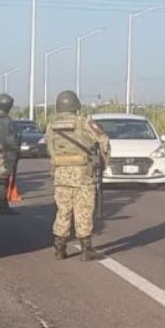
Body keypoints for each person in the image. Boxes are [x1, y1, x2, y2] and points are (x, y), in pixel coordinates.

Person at [45, 90, 110, 261]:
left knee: (63, 211)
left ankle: (59, 248)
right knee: (84, 211)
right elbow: (103, 141)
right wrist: (103, 162)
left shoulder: (51, 125)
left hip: (60, 174)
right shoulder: (84, 122)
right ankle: (86, 250)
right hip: (83, 174)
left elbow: (50, 150)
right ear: (76, 105)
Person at [0, 93, 21, 215]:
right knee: (2, 180)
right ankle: (2, 206)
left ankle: (2, 205)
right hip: (4, 153)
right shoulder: (5, 121)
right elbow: (8, 139)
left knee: (2, 179)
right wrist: (16, 149)